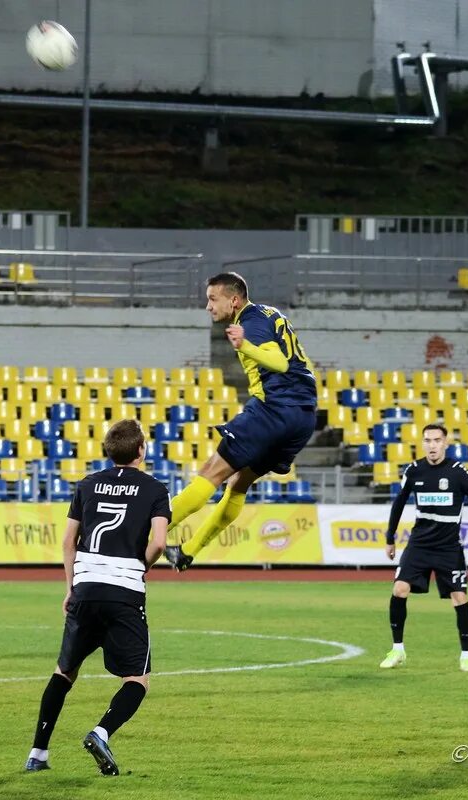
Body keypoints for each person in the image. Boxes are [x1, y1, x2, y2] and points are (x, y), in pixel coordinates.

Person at [25, 419, 169, 776]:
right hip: (124, 591)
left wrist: (70, 588)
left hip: (86, 588)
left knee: (64, 672)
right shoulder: (154, 488)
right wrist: (141, 565)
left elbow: (68, 542)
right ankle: (101, 732)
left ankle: (37, 753)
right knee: (137, 678)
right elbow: (160, 543)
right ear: (141, 450)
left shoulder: (87, 485)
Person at [164, 272, 317, 571]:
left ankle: (145, 530)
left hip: (274, 409)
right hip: (303, 417)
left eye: (212, 299)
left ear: (234, 300)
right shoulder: (272, 315)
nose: (208, 306)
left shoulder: (251, 321)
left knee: (211, 472)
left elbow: (280, 362)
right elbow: (300, 363)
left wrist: (245, 345)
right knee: (238, 483)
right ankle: (187, 551)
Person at [380, 423, 468, 672]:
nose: (432, 445)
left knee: (459, 597)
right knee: (399, 589)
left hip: (449, 547)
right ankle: (398, 650)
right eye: (427, 440)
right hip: (419, 543)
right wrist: (390, 537)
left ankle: (465, 656)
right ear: (423, 443)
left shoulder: (459, 472)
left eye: (437, 440)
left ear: (445, 443)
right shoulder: (414, 470)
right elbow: (399, 503)